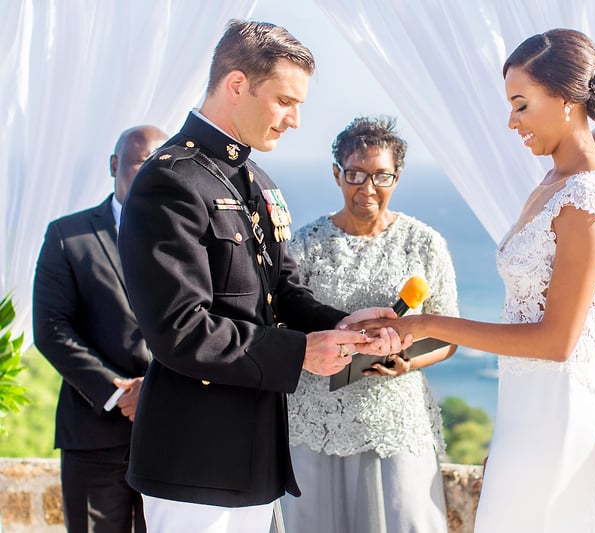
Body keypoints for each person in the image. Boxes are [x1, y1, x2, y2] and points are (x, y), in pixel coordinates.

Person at [116, 21, 403, 533]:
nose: (294, 120)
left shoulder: (256, 181)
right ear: (236, 85)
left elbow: (283, 294)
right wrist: (299, 353)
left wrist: (346, 326)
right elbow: (178, 329)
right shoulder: (170, 180)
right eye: (285, 101)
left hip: (255, 456)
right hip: (193, 459)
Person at [357, 28, 595, 531]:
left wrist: (426, 325)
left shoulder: (590, 196)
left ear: (567, 99)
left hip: (559, 404)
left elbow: (557, 340)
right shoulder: (551, 183)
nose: (511, 121)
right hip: (527, 401)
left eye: (521, 105)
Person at [277, 116, 458, 533]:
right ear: (336, 173)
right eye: (355, 174)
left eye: (381, 175)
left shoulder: (425, 244)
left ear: (398, 176)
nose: (367, 188)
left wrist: (406, 362)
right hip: (314, 417)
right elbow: (283, 322)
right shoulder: (304, 245)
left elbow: (448, 338)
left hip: (394, 418)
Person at [33, 125, 167, 532]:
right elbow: (51, 329)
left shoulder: (187, 238)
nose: (148, 174)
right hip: (92, 432)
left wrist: (155, 389)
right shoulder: (67, 236)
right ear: (114, 165)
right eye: (140, 162)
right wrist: (116, 391)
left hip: (168, 431)